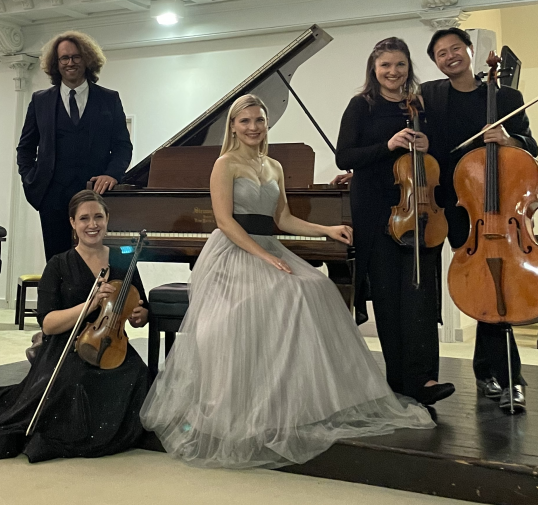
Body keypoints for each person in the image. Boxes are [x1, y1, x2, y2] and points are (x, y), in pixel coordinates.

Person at [139, 94, 435, 469]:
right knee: (281, 294)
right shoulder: (224, 164)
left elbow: (283, 219)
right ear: (233, 127)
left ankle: (303, 398)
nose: (253, 127)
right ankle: (253, 402)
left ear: (267, 124)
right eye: (245, 121)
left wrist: (326, 229)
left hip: (268, 246)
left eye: (259, 120)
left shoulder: (274, 166)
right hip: (233, 252)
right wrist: (264, 257)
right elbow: (225, 222)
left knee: (317, 287)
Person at [0, 190, 150, 462]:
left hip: (112, 344)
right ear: (72, 223)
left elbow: (139, 308)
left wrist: (140, 315)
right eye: (84, 218)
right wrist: (90, 304)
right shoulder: (58, 264)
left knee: (137, 374)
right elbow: (47, 324)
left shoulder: (122, 260)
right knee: (75, 380)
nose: (92, 224)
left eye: (98, 217)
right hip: (66, 345)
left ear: (107, 219)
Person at [421, 28, 538, 411]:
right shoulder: (432, 97)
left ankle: (507, 378)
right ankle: (489, 372)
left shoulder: (506, 97)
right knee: (485, 286)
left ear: (471, 50)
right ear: (436, 61)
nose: (449, 56)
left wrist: (509, 140)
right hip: (462, 207)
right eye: (441, 53)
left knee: (494, 288)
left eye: (455, 48)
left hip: (504, 211)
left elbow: (531, 146)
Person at [335, 37, 454, 406]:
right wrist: (387, 146)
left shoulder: (418, 105)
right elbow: (344, 157)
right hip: (376, 214)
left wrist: (427, 145)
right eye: (385, 65)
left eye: (400, 64)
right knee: (388, 299)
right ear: (374, 69)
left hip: (420, 212)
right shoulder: (362, 106)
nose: (393, 71)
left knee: (421, 298)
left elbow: (441, 154)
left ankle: (425, 379)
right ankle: (398, 381)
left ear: (408, 67)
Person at [17, 30, 133, 260]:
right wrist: (31, 182)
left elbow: (122, 146)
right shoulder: (40, 101)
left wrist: (112, 174)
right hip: (52, 197)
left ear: (87, 59)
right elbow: (25, 148)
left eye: (76, 57)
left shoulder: (109, 99)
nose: (70, 62)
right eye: (64, 58)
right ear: (56, 63)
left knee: (97, 261)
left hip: (96, 195)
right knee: (58, 262)